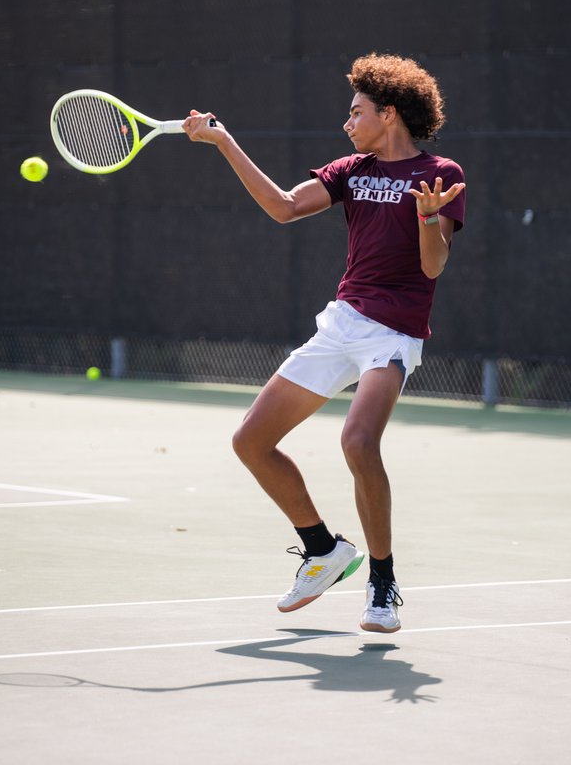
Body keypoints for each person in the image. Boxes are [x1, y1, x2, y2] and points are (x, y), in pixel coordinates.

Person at [184, 53, 466, 633]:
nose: (347, 122)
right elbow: (283, 208)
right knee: (251, 441)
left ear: (388, 114)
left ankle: (382, 581)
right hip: (342, 324)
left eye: (356, 111)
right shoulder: (350, 169)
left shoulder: (438, 172)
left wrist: (425, 218)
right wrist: (224, 142)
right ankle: (322, 550)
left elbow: (433, 266)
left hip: (394, 331)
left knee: (359, 442)